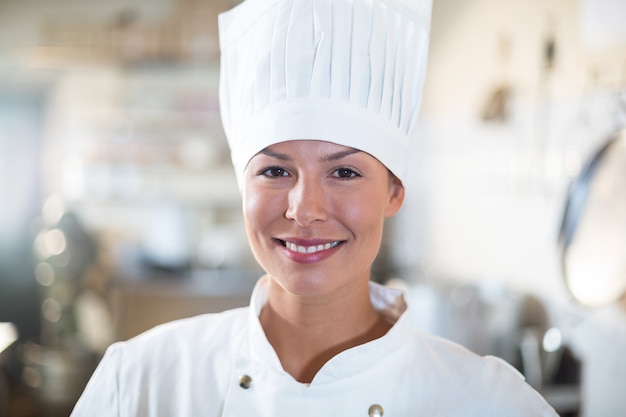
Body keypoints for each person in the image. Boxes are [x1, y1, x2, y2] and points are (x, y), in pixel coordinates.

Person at [71, 0, 559, 415]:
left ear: (394, 191)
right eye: (275, 171)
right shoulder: (140, 382)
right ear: (242, 186)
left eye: (344, 172)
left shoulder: (488, 402)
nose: (304, 210)